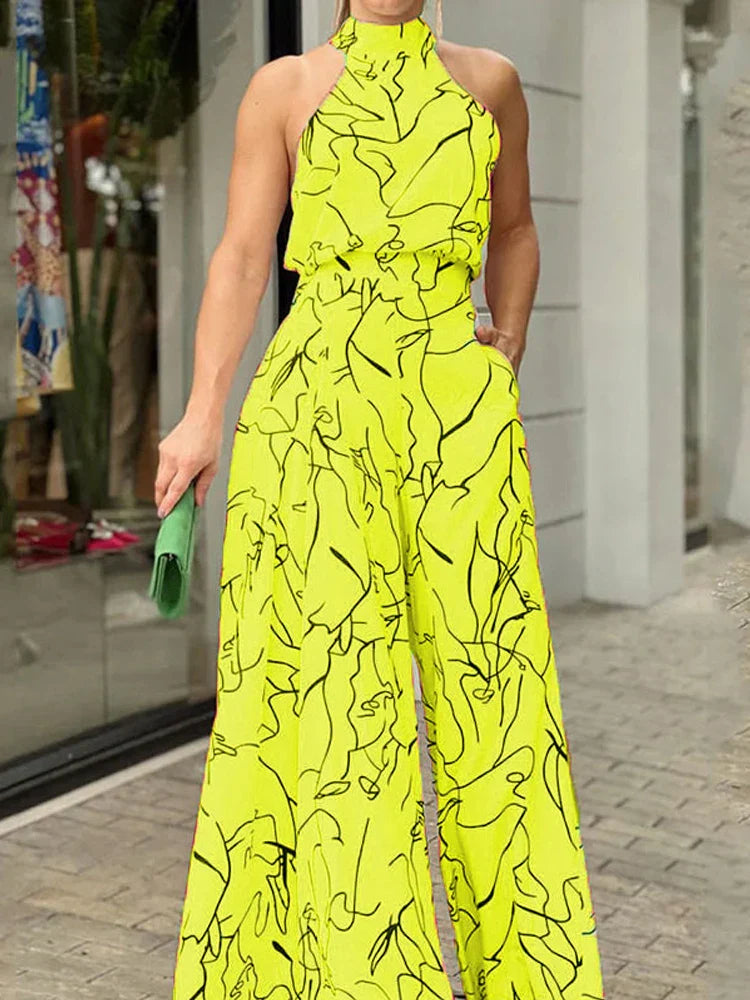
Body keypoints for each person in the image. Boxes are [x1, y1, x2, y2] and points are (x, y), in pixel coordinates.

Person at [158, 2, 606, 998]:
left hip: (457, 415)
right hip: (316, 411)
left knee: (497, 693)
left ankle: (534, 977)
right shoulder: (284, 87)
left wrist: (507, 349)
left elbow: (516, 229)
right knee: (335, 699)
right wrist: (199, 415)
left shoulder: (492, 83)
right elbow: (241, 256)